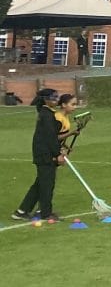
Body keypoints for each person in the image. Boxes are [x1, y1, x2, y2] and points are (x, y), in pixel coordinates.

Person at [12, 89, 67, 222]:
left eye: (56, 97)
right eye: (53, 97)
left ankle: (22, 211)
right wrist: (58, 154)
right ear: (45, 99)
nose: (56, 99)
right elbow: (50, 137)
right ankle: (46, 213)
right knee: (47, 183)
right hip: (44, 154)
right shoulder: (46, 115)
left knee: (40, 183)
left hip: (44, 153)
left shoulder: (47, 113)